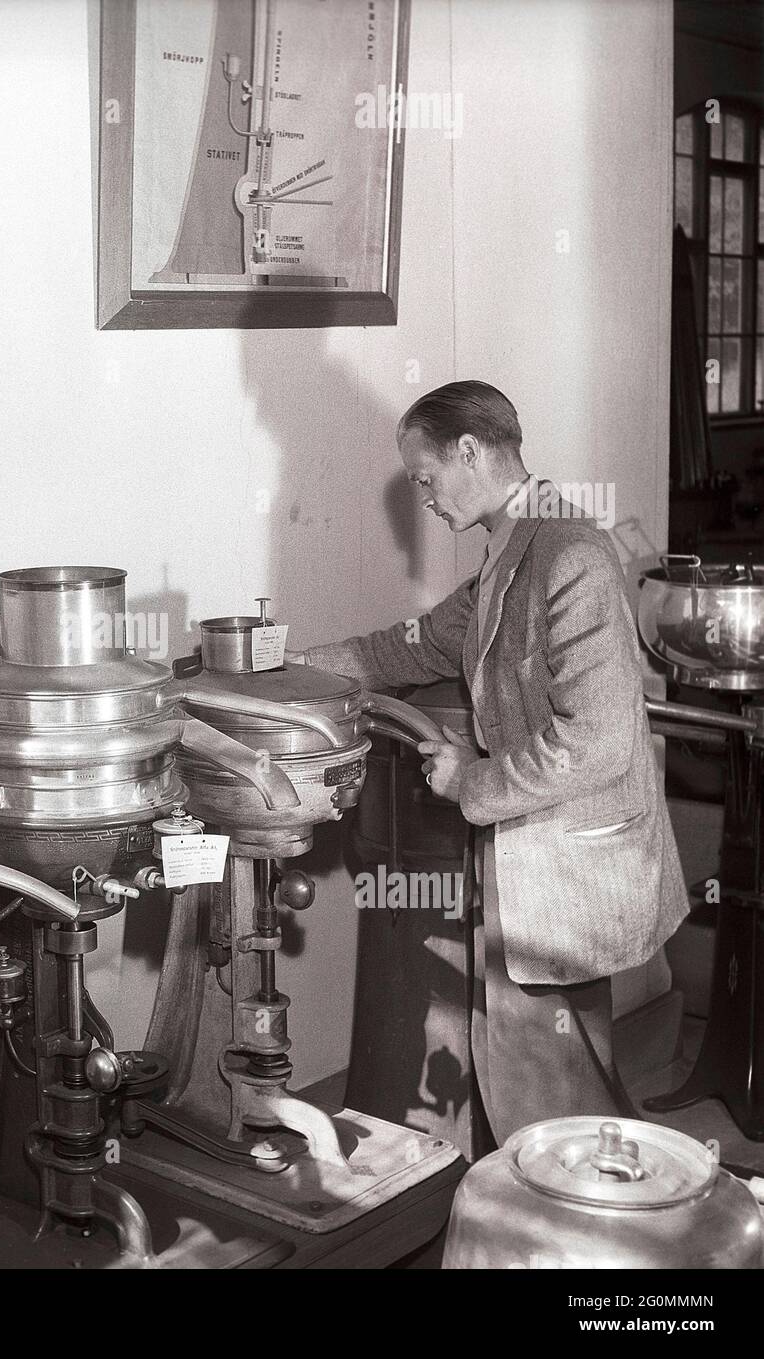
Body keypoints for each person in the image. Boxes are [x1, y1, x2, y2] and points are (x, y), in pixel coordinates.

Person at [291, 380, 687, 1146]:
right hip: (533, 856)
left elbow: (597, 740)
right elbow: (407, 646)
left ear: (470, 452)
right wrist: (290, 666)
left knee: (551, 1084)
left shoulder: (571, 554)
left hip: (572, 867)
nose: (425, 498)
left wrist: (472, 779)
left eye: (426, 477)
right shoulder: (512, 547)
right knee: (535, 1066)